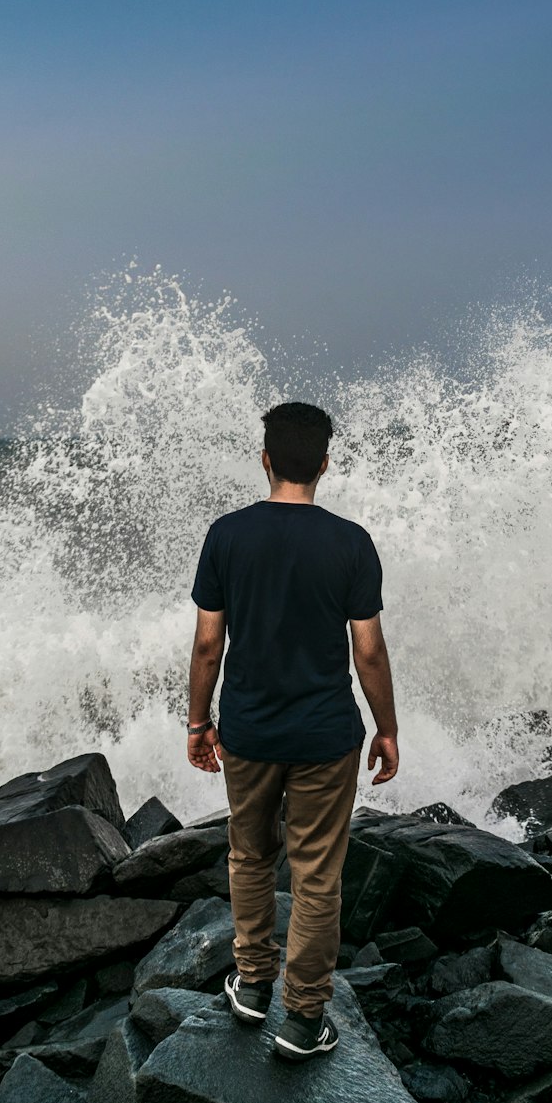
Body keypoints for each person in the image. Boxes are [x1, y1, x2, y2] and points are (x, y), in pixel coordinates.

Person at [186, 401, 399, 1059]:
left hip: (247, 732)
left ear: (266, 459)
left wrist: (199, 722)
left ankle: (252, 986)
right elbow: (368, 651)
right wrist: (387, 728)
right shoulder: (350, 542)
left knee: (249, 855)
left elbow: (207, 644)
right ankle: (303, 1018)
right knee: (316, 875)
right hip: (325, 736)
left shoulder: (227, 535)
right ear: (326, 465)